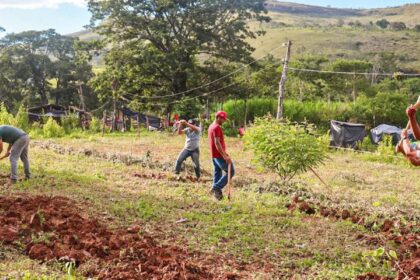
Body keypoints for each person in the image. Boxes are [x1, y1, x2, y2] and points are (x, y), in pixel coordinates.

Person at [208, 111, 234, 200]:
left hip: (214, 155)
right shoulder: (216, 127)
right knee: (231, 171)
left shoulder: (211, 126)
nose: (224, 121)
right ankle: (216, 187)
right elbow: (217, 143)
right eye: (223, 119)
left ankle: (217, 195)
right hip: (219, 155)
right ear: (218, 117)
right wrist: (225, 156)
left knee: (217, 173)